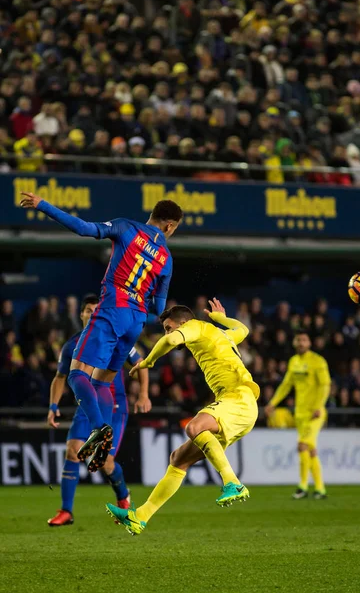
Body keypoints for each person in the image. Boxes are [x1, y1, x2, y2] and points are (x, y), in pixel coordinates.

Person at [20, 192, 183, 472]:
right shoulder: (166, 258)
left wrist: (42, 205)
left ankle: (99, 430)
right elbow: (158, 307)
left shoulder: (126, 227)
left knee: (76, 374)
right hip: (136, 322)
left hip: (112, 311)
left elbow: (84, 228)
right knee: (102, 382)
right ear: (169, 226)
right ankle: (104, 440)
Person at [105, 298, 260, 536]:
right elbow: (243, 329)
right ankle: (140, 517)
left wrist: (148, 362)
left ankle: (233, 483)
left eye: (169, 326)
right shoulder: (221, 335)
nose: (168, 332)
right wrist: (220, 318)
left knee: (194, 427)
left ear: (183, 323)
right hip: (241, 406)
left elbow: (171, 340)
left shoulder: (194, 326)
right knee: (178, 459)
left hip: (238, 398)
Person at [47, 295, 150, 527]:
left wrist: (143, 394)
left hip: (113, 406)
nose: (92, 313)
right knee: (72, 451)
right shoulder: (71, 346)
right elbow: (60, 377)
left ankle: (123, 498)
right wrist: (53, 407)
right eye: (88, 310)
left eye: (96, 309)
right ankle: (66, 511)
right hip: (87, 407)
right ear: (82, 315)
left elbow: (140, 364)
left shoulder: (116, 336)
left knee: (106, 462)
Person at [266, 331, 331, 500]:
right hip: (300, 413)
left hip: (315, 413)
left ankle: (302, 487)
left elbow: (325, 385)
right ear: (295, 343)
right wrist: (273, 403)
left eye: (304, 340)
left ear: (309, 343)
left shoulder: (317, 361)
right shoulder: (294, 362)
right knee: (311, 450)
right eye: (299, 340)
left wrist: (319, 406)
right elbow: (286, 385)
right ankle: (320, 489)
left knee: (302, 445)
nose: (301, 343)